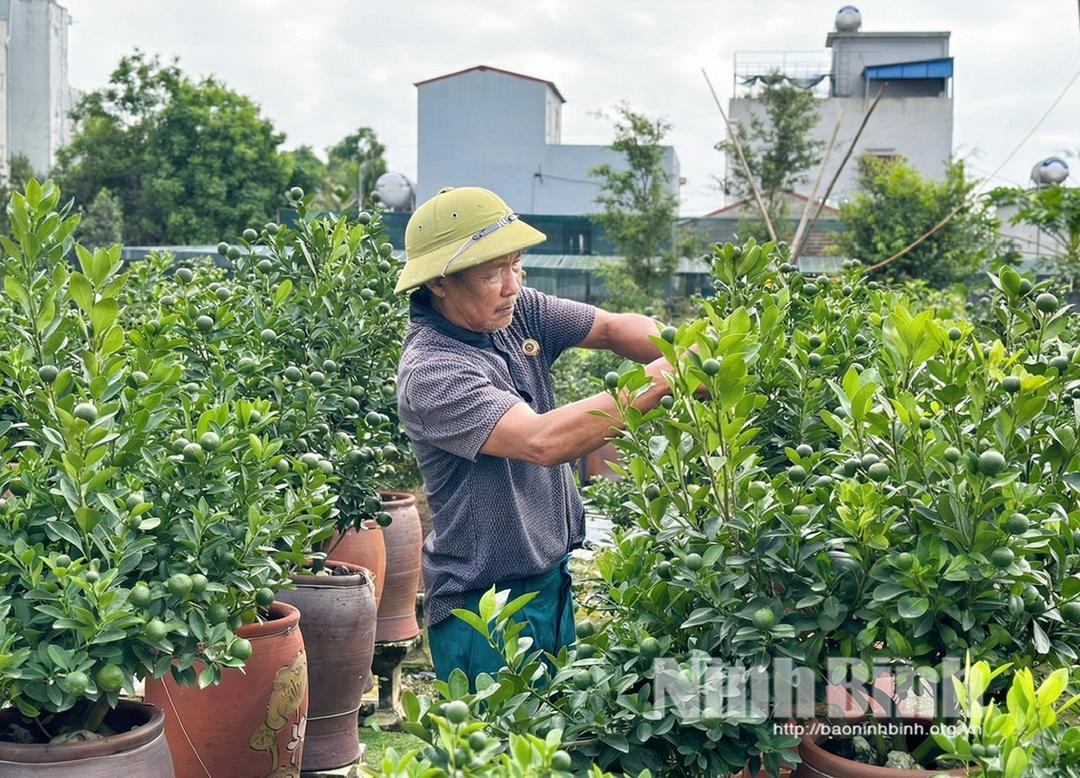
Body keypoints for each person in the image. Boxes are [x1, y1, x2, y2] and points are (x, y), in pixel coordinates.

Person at [394, 186, 677, 684]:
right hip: (485, 609)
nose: (511, 285)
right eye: (491, 273)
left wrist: (685, 346)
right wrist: (666, 378)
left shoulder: (515, 310)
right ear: (440, 283)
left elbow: (612, 328)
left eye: (517, 265)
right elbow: (543, 441)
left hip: (550, 584)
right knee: (500, 756)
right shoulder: (433, 371)